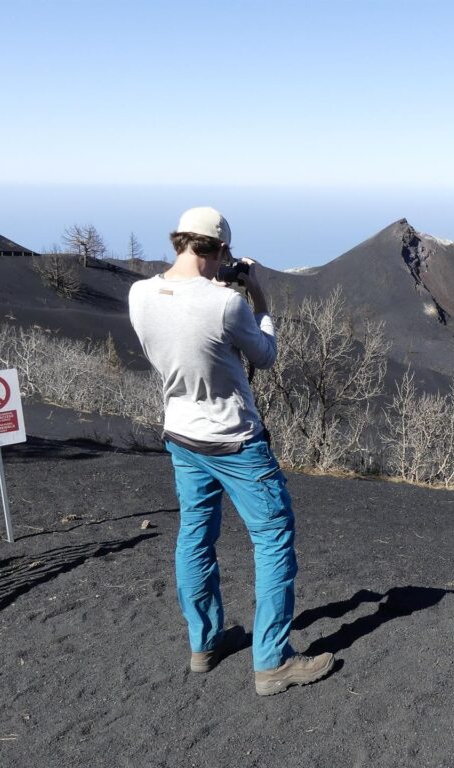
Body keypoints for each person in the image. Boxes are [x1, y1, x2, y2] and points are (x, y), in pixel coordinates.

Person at [128, 206, 334, 696]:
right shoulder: (225, 305)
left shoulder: (139, 294)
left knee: (195, 536)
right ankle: (272, 662)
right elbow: (265, 354)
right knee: (273, 541)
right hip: (236, 442)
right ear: (219, 250)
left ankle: (205, 643)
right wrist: (257, 293)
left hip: (181, 435)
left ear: (179, 241)